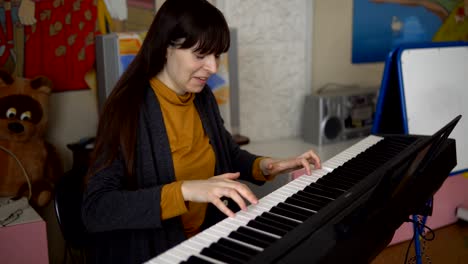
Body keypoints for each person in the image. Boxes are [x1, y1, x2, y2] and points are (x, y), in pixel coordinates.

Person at [81, 0, 321, 263]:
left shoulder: (202, 96)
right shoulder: (126, 108)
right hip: (160, 251)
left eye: (216, 55)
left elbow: (226, 153)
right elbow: (96, 209)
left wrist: (269, 166)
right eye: (200, 55)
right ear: (166, 48)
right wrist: (185, 190)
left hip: (207, 238)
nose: (213, 68)